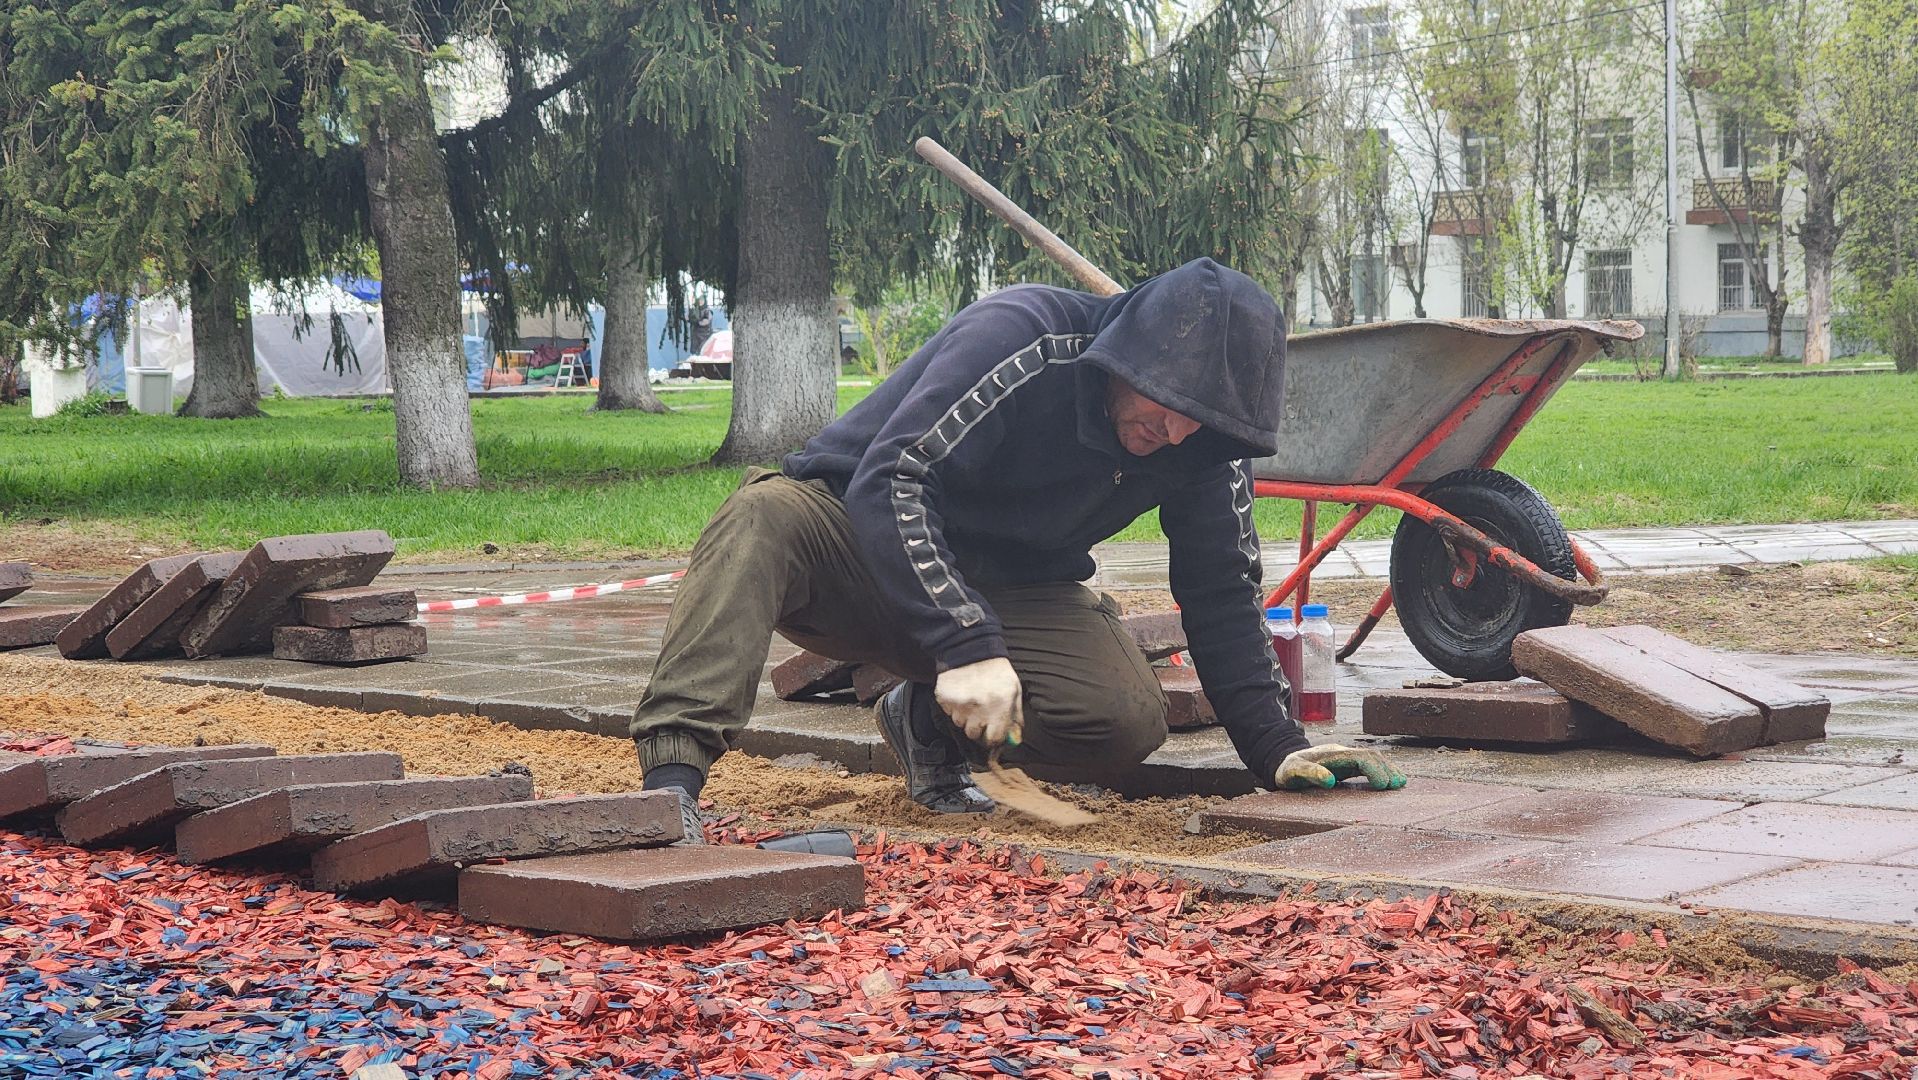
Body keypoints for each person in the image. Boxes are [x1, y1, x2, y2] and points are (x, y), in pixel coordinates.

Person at [630, 258, 1405, 842]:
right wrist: (963, 643)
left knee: (1124, 720)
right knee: (759, 515)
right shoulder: (1022, 337)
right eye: (1166, 407)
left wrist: (1276, 748)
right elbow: (893, 480)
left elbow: (1223, 592)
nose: (1174, 435)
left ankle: (927, 721)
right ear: (1127, 360)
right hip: (853, 540)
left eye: (1197, 424)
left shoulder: (1202, 442)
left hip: (1013, 585)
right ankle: (670, 787)